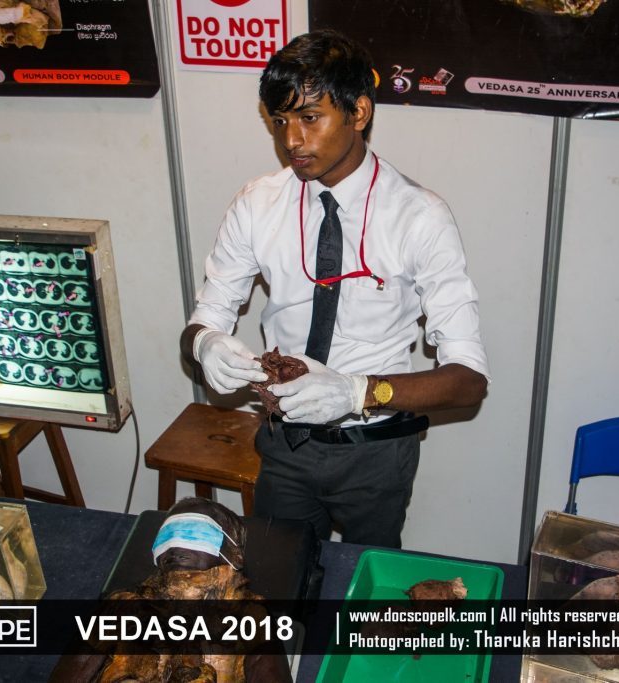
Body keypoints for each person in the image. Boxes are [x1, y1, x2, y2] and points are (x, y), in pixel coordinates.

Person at [180, 29, 489, 548]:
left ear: (358, 111)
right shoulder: (257, 204)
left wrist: (356, 391)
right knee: (278, 578)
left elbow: (468, 380)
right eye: (280, 121)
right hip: (285, 444)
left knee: (364, 587)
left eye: (309, 118)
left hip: (376, 451)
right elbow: (203, 319)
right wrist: (205, 343)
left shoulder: (418, 216)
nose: (291, 141)